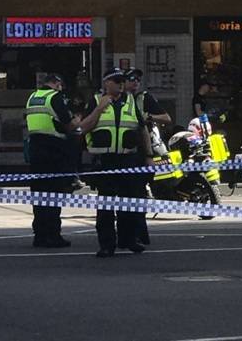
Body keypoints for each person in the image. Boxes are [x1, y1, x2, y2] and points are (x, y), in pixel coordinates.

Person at [80, 68, 154, 258]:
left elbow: (142, 129)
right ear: (106, 84)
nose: (121, 84)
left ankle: (128, 240)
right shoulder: (96, 101)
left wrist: (148, 156)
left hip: (128, 159)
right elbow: (83, 127)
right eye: (116, 81)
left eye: (122, 81)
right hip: (105, 160)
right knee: (106, 204)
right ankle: (107, 244)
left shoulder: (131, 101)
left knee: (128, 202)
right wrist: (99, 109)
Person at [25, 73, 81, 248]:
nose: (61, 88)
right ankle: (53, 235)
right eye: (60, 84)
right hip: (54, 150)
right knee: (54, 194)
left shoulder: (33, 97)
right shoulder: (55, 97)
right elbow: (69, 124)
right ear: (56, 83)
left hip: (35, 149)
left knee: (39, 195)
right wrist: (78, 119)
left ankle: (39, 235)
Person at [124, 67, 172, 245]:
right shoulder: (117, 100)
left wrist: (149, 116)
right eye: (131, 79)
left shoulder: (144, 98)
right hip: (122, 152)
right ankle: (130, 233)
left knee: (138, 192)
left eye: (137, 79)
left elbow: (167, 118)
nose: (135, 82)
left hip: (143, 150)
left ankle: (139, 233)